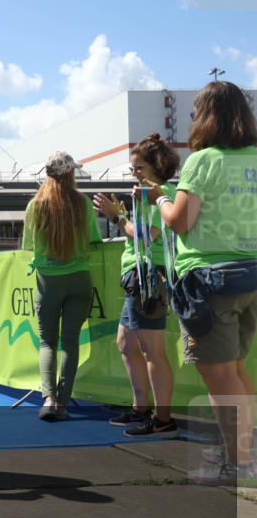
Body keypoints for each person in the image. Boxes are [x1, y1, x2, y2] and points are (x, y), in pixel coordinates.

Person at [142, 80, 257, 485]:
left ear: (205, 117)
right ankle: (243, 447)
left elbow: (180, 222)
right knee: (237, 370)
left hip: (210, 280)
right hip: (250, 276)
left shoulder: (202, 160)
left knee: (220, 376)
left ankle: (239, 462)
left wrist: (160, 199)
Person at [93, 135, 180, 438]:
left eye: (138, 167)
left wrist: (117, 218)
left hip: (149, 278)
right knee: (127, 345)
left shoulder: (160, 194)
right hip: (139, 278)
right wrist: (123, 216)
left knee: (151, 350)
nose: (134, 173)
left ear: (156, 166)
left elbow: (145, 236)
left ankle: (163, 418)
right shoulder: (152, 194)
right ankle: (142, 408)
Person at [21, 151, 103, 422]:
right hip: (79, 278)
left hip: (48, 282)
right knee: (70, 342)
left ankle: (49, 399)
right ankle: (64, 404)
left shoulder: (36, 206)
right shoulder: (83, 203)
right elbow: (94, 242)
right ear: (71, 173)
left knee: (47, 342)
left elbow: (28, 247)